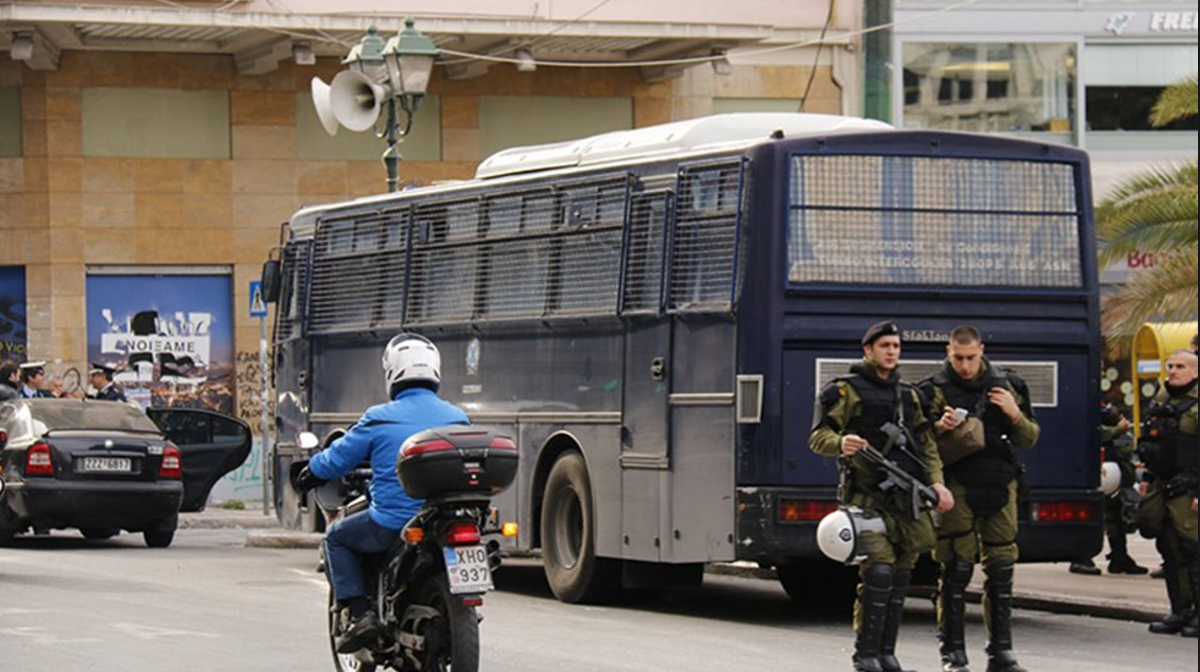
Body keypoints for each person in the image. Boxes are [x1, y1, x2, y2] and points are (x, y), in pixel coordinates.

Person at [293, 333, 469, 654]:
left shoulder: (380, 417)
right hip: (444, 520)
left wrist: (310, 472)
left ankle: (361, 615)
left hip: (393, 522)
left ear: (392, 372)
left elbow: (339, 458)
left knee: (335, 538)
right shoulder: (457, 417)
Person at [810, 321, 954, 672]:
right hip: (868, 500)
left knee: (902, 578)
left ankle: (887, 654)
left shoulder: (909, 395)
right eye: (885, 345)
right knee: (879, 575)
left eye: (896, 345)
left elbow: (927, 445)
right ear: (868, 350)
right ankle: (866, 655)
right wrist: (841, 444)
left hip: (907, 502)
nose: (892, 351)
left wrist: (937, 484)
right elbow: (818, 437)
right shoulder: (846, 391)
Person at [918, 326, 1039, 672]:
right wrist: (940, 427)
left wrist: (1014, 413)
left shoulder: (1009, 384)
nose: (966, 366)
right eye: (958, 358)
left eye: (972, 358)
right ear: (948, 351)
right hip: (957, 486)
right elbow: (920, 444)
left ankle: (1001, 651)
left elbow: (1030, 438)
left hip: (1001, 482)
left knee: (1002, 568)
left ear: (982, 350)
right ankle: (953, 653)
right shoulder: (934, 389)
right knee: (956, 569)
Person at [1139, 350, 1198, 639]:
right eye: (1170, 366)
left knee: (1193, 549)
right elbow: (1153, 444)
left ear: (1195, 372)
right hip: (1163, 485)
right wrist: (1147, 479)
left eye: (1181, 366)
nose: (1173, 371)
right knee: (1169, 549)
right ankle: (1180, 610)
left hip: (1189, 486)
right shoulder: (1161, 400)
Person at [1069, 402, 1147, 576]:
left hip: (1108, 464)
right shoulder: (1084, 399)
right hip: (1091, 463)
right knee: (1090, 512)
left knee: (1114, 514)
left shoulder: (1096, 399)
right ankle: (1081, 556)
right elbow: (1092, 432)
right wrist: (1117, 429)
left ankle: (1119, 556)